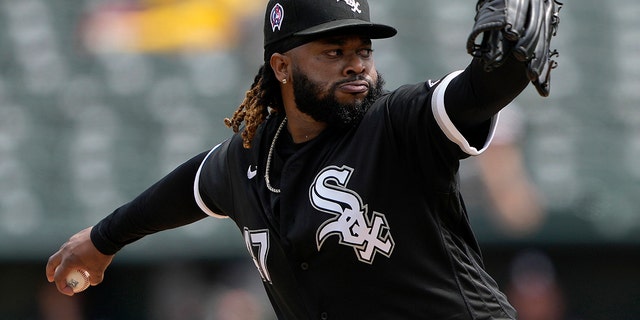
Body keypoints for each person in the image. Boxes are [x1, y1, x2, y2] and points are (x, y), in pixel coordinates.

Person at [47, 0, 560, 318]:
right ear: (282, 66)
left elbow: (479, 89)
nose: (356, 66)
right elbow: (190, 188)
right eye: (333, 53)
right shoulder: (250, 157)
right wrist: (102, 239)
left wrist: (508, 61)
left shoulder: (400, 124)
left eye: (363, 51)